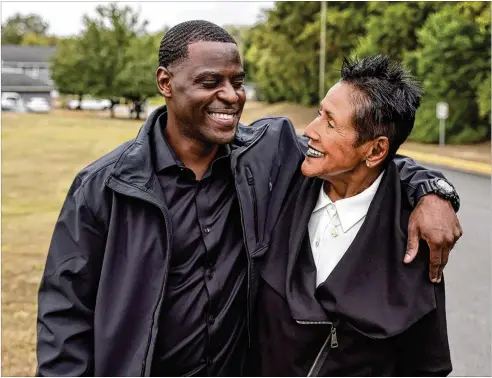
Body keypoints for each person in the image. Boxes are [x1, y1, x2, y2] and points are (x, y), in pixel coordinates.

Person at [36, 21, 461, 376]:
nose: (231, 95)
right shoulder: (104, 186)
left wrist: (432, 190)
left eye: (237, 82)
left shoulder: (265, 157)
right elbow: (64, 314)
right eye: (210, 82)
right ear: (165, 83)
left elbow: (360, 158)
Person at [251, 55, 453, 376]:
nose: (311, 131)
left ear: (374, 151)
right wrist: (436, 187)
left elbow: (426, 365)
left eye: (330, 122)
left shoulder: (412, 239)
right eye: (320, 113)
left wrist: (434, 190)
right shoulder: (279, 181)